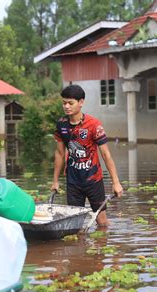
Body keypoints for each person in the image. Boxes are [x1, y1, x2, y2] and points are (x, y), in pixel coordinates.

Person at [51, 85, 123, 226]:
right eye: (64, 103)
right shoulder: (61, 125)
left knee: (102, 222)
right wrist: (55, 181)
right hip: (73, 181)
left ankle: (102, 244)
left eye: (70, 103)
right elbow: (59, 154)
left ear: (81, 102)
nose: (66, 106)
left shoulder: (94, 125)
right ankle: (79, 247)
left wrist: (116, 182)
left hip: (93, 180)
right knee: (75, 224)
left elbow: (106, 154)